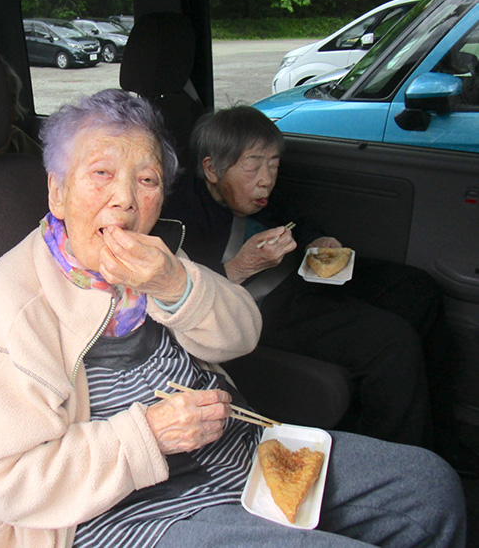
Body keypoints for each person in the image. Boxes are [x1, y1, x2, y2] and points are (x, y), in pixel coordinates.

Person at [0, 89, 465, 548]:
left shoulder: (159, 257)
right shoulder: (11, 304)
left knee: (431, 487)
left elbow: (244, 333)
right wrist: (145, 436)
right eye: (102, 174)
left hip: (232, 451)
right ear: (57, 192)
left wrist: (175, 284)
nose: (126, 200)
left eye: (147, 179)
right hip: (116, 512)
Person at [160, 104, 461, 452]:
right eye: (253, 164)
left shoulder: (257, 196)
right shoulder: (179, 215)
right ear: (212, 169)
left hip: (299, 274)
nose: (267, 178)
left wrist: (317, 241)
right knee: (393, 343)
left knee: (418, 289)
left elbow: (296, 221)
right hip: (257, 306)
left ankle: (440, 433)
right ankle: (399, 457)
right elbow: (186, 301)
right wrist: (242, 266)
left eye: (273, 164)